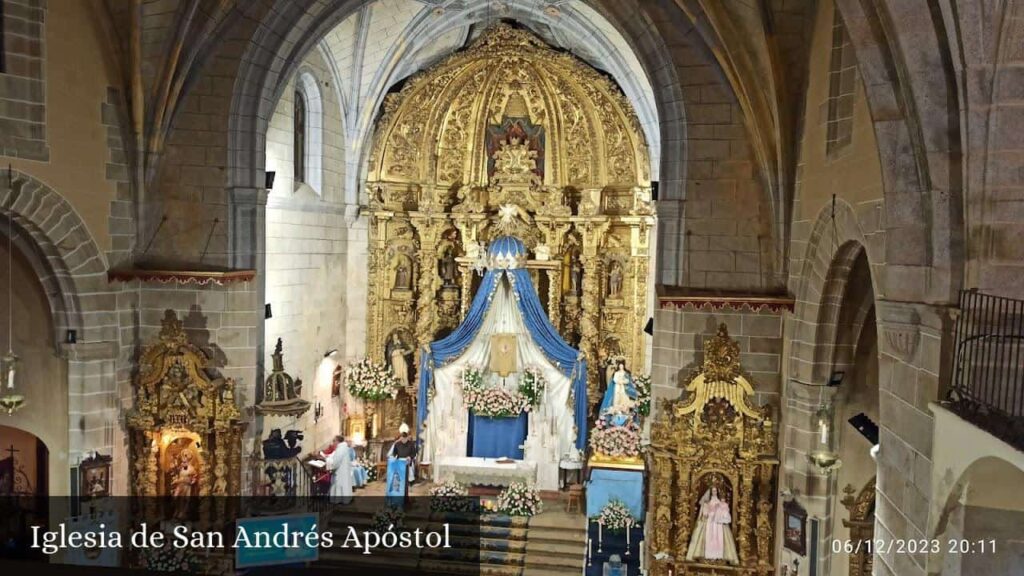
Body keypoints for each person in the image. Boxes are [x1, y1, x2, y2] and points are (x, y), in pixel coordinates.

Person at [685, 487, 739, 564]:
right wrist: (707, 511)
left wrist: (720, 514)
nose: (714, 492)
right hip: (709, 523)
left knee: (720, 538)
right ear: (710, 492)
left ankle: (718, 557)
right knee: (707, 537)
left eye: (715, 490)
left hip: (718, 524)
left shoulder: (721, 503)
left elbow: (725, 514)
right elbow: (704, 514)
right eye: (713, 491)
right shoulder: (707, 503)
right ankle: (708, 556)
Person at [323, 435, 353, 504]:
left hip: (340, 472)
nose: (333, 443)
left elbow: (335, 462)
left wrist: (326, 460)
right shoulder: (342, 448)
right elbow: (334, 456)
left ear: (338, 441)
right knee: (343, 485)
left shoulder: (341, 449)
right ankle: (343, 500)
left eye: (334, 441)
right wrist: (327, 457)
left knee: (340, 484)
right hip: (343, 471)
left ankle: (339, 500)